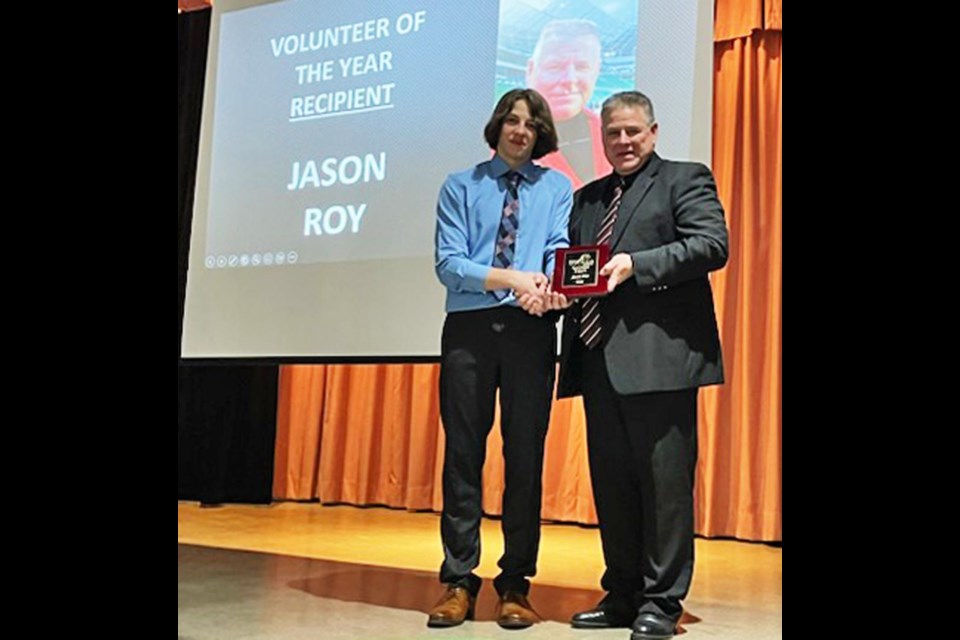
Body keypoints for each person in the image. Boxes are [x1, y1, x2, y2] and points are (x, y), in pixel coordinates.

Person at [552, 91, 728, 640]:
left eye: (633, 132)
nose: (623, 142)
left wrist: (636, 264)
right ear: (601, 138)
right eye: (613, 134)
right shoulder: (586, 198)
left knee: (664, 489)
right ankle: (623, 592)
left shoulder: (684, 178)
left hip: (663, 362)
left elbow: (711, 245)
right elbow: (575, 270)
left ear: (653, 132)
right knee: (614, 485)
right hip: (599, 360)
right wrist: (556, 289)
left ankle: (663, 602)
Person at [428, 88, 572, 629]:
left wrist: (549, 289)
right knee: (463, 456)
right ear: (497, 126)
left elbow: (558, 250)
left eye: (531, 124)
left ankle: (515, 583)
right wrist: (514, 279)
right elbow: (449, 264)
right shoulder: (460, 186)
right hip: (468, 330)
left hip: (531, 330)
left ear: (541, 135)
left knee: (525, 459)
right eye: (512, 120)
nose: (520, 130)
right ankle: (458, 580)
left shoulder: (557, 187)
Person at [526, 19, 612, 190]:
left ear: (596, 72)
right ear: (530, 71)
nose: (569, 80)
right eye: (554, 66)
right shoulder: (501, 142)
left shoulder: (613, 135)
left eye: (582, 67)